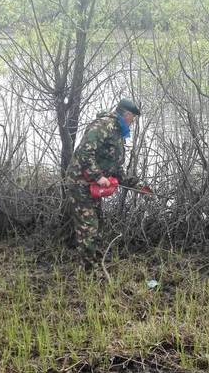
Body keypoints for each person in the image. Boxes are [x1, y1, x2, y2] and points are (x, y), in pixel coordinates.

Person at [64, 98, 149, 271]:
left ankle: (96, 264)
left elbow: (115, 169)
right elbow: (84, 152)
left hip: (92, 186)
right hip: (80, 182)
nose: (133, 122)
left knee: (98, 225)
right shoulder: (104, 125)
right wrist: (98, 176)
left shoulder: (117, 131)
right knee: (89, 227)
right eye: (133, 117)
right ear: (126, 114)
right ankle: (89, 271)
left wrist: (138, 185)